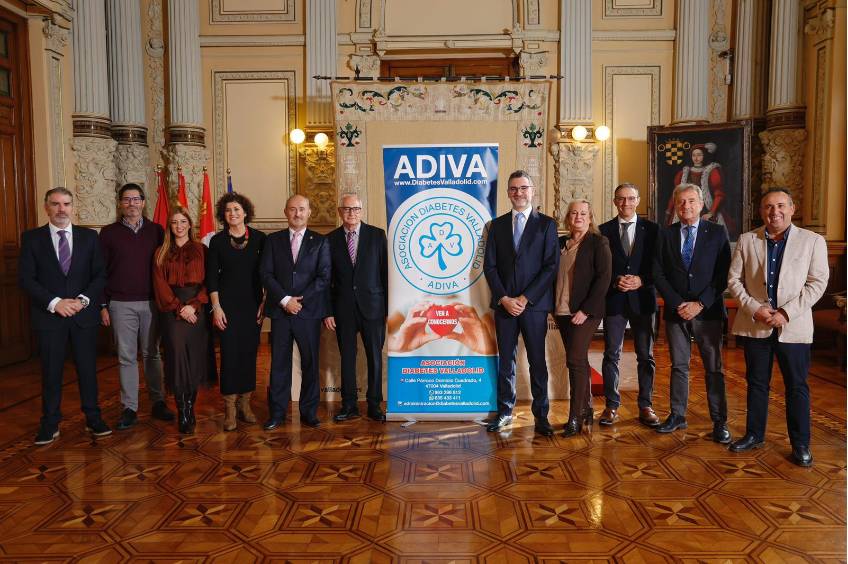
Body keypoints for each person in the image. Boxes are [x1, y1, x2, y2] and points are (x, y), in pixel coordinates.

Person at [727, 188, 829, 467]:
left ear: (792, 209)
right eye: (769, 207)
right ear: (761, 211)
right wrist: (755, 308)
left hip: (793, 326)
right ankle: (754, 434)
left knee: (796, 386)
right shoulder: (747, 240)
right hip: (756, 323)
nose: (775, 212)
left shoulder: (812, 241)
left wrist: (786, 313)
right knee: (756, 383)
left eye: (781, 206)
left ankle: (801, 444)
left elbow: (817, 283)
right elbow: (734, 280)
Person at [19, 187, 111, 445]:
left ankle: (93, 418)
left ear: (72, 207)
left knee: (88, 370)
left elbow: (100, 275)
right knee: (51, 372)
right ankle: (50, 424)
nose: (61, 209)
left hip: (83, 316)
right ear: (46, 207)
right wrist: (55, 303)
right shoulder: (32, 238)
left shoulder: (89, 237)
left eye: (66, 204)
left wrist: (82, 301)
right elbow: (26, 279)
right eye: (56, 204)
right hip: (49, 317)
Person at [653, 184, 732, 443]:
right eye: (681, 202)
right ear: (675, 205)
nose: (685, 206)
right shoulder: (666, 234)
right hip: (676, 311)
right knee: (679, 365)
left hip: (707, 311)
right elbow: (658, 273)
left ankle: (719, 421)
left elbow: (723, 274)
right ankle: (677, 415)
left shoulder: (717, 233)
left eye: (691, 201)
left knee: (713, 368)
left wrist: (700, 303)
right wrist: (677, 303)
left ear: (701, 204)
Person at [483, 170, 559, 436]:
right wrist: (504, 298)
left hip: (534, 306)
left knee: (537, 361)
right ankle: (505, 412)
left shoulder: (547, 225)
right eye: (514, 189)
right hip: (504, 306)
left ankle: (541, 416)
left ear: (532, 191)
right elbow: (490, 266)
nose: (519, 193)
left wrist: (525, 299)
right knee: (506, 362)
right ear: (508, 193)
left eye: (524, 188)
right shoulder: (496, 225)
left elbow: (550, 267)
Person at [99, 183, 173, 430]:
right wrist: (102, 304)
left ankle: (158, 402)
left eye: (136, 199)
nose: (131, 203)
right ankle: (129, 407)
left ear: (143, 202)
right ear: (120, 203)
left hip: (152, 302)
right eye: (127, 199)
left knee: (152, 353)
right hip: (120, 304)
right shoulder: (108, 233)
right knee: (126, 357)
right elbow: (99, 271)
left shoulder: (157, 231)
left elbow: (166, 268)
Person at [261, 195, 331, 429]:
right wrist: (285, 300)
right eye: (292, 209)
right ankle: (277, 414)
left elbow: (324, 277)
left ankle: (309, 412)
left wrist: (299, 301)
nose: (297, 213)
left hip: (308, 312)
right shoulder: (273, 240)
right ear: (285, 212)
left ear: (309, 212)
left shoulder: (320, 241)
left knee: (310, 364)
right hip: (281, 312)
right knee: (279, 365)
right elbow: (266, 274)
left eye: (302, 209)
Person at [598, 183, 660, 427]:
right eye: (621, 199)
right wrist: (616, 280)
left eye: (631, 198)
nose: (626, 203)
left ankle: (646, 405)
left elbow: (660, 266)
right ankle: (611, 405)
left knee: (646, 355)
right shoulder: (603, 231)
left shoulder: (653, 230)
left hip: (643, 300)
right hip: (614, 300)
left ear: (638, 200)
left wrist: (642, 280)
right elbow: (600, 267)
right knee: (611, 354)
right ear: (615, 201)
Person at [324, 193, 388, 422]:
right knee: (347, 359)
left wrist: (387, 309)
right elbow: (326, 279)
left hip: (374, 308)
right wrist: (328, 311)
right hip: (343, 309)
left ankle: (374, 405)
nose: (351, 213)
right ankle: (349, 406)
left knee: (375, 357)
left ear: (362, 210)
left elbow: (385, 273)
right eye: (347, 209)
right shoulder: (330, 239)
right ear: (340, 211)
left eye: (355, 209)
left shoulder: (377, 235)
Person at [206, 193, 267, 431]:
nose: (233, 213)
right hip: (226, 307)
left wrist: (264, 302)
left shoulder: (260, 239)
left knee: (249, 354)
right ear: (224, 214)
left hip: (253, 305)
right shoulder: (217, 241)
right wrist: (216, 307)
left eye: (237, 209)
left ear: (245, 212)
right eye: (228, 210)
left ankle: (245, 404)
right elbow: (211, 277)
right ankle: (230, 408)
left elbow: (267, 274)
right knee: (230, 354)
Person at [555, 199, 612, 436]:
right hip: (562, 311)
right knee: (578, 361)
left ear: (590, 218)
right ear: (568, 218)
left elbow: (604, 279)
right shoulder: (560, 243)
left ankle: (575, 417)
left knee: (575, 360)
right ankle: (586, 408)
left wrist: (585, 310)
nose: (578, 217)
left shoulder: (599, 242)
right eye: (573, 213)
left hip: (585, 313)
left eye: (583, 213)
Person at [153, 207, 211, 434]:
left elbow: (210, 282)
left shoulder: (202, 250)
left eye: (183, 221)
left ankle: (190, 406)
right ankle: (182, 410)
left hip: (197, 308)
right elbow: (159, 285)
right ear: (170, 226)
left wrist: (194, 305)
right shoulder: (160, 252)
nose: (179, 226)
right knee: (177, 359)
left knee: (194, 359)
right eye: (175, 222)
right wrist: (180, 308)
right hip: (171, 310)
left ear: (189, 224)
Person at [665, 143, 734, 236]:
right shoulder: (684, 173)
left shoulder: (712, 171)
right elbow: (675, 195)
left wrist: (711, 213)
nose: (696, 158)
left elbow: (719, 195)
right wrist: (669, 211)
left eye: (699, 155)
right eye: (694, 155)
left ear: (704, 156)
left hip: (706, 210)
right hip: (685, 210)